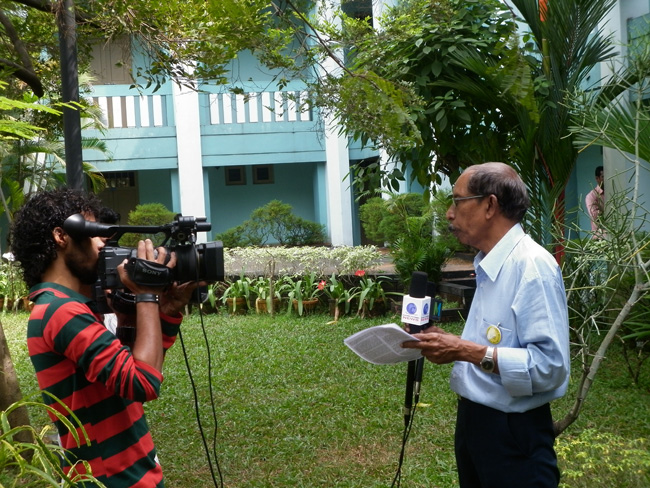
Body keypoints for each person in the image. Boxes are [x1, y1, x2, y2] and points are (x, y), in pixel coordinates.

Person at [10, 188, 197, 487]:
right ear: (62, 236)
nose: (103, 242)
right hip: (112, 479)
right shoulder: (60, 311)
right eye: (94, 231)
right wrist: (146, 293)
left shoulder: (65, 306)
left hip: (130, 473)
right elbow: (143, 382)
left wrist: (164, 311)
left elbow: (122, 379)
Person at [402, 162, 570, 488]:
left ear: (489, 205)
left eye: (457, 201)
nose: (449, 214)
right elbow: (492, 343)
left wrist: (465, 350)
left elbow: (550, 367)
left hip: (513, 433)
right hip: (474, 422)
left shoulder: (532, 267)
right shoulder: (488, 263)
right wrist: (451, 343)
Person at [585, 165, 604, 238]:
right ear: (597, 178)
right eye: (603, 177)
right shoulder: (591, 196)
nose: (606, 179)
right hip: (600, 237)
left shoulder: (612, 192)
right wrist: (603, 211)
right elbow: (595, 216)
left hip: (616, 234)